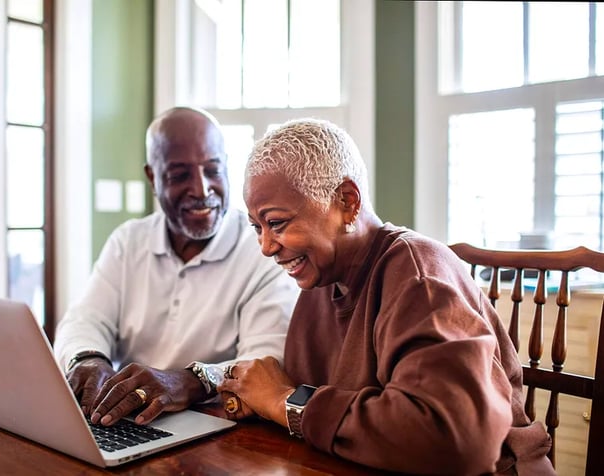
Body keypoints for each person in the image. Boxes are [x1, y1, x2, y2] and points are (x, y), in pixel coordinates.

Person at [218, 118, 555, 475]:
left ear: (347, 202)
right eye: (257, 227)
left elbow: (454, 440)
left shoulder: (418, 274)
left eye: (278, 223)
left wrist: (285, 402)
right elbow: (306, 396)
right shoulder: (321, 280)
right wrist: (248, 392)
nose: (266, 247)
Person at [53, 107, 298, 427]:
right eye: (180, 175)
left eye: (212, 170)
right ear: (153, 177)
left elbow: (266, 364)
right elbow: (84, 321)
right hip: (124, 421)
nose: (201, 190)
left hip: (215, 427)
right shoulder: (128, 241)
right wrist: (88, 358)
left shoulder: (262, 249)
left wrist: (192, 381)